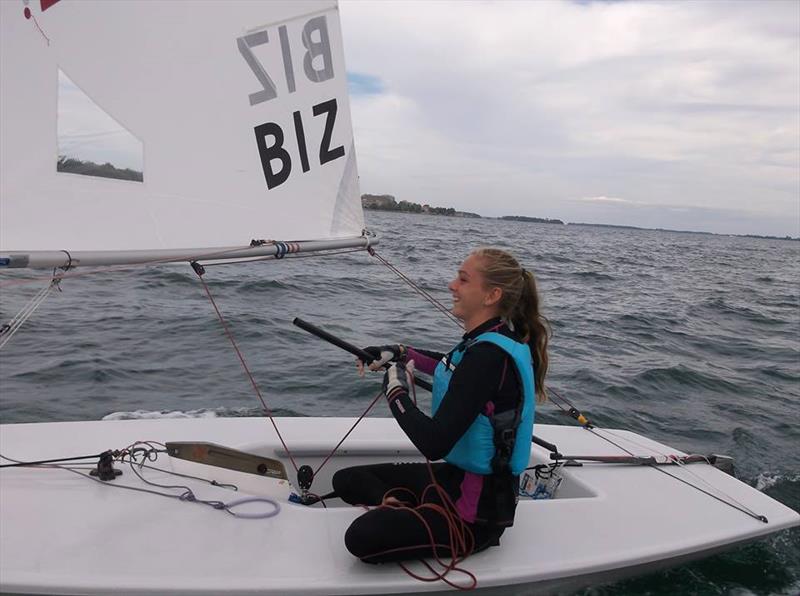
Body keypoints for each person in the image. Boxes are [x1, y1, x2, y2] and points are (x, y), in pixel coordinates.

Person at [331, 247, 550, 564]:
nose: (451, 285)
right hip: (453, 480)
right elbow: (447, 365)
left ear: (491, 295)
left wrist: (395, 389)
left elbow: (434, 442)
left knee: (360, 538)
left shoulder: (489, 356)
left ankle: (406, 513)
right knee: (346, 481)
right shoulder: (488, 339)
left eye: (463, 279)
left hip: (475, 518)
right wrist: (398, 352)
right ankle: (399, 505)